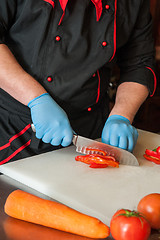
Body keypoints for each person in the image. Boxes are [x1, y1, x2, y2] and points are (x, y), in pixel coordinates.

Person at [0, 0, 157, 165]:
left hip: (90, 133)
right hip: (15, 128)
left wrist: (122, 115)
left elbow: (139, 64)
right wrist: (37, 100)